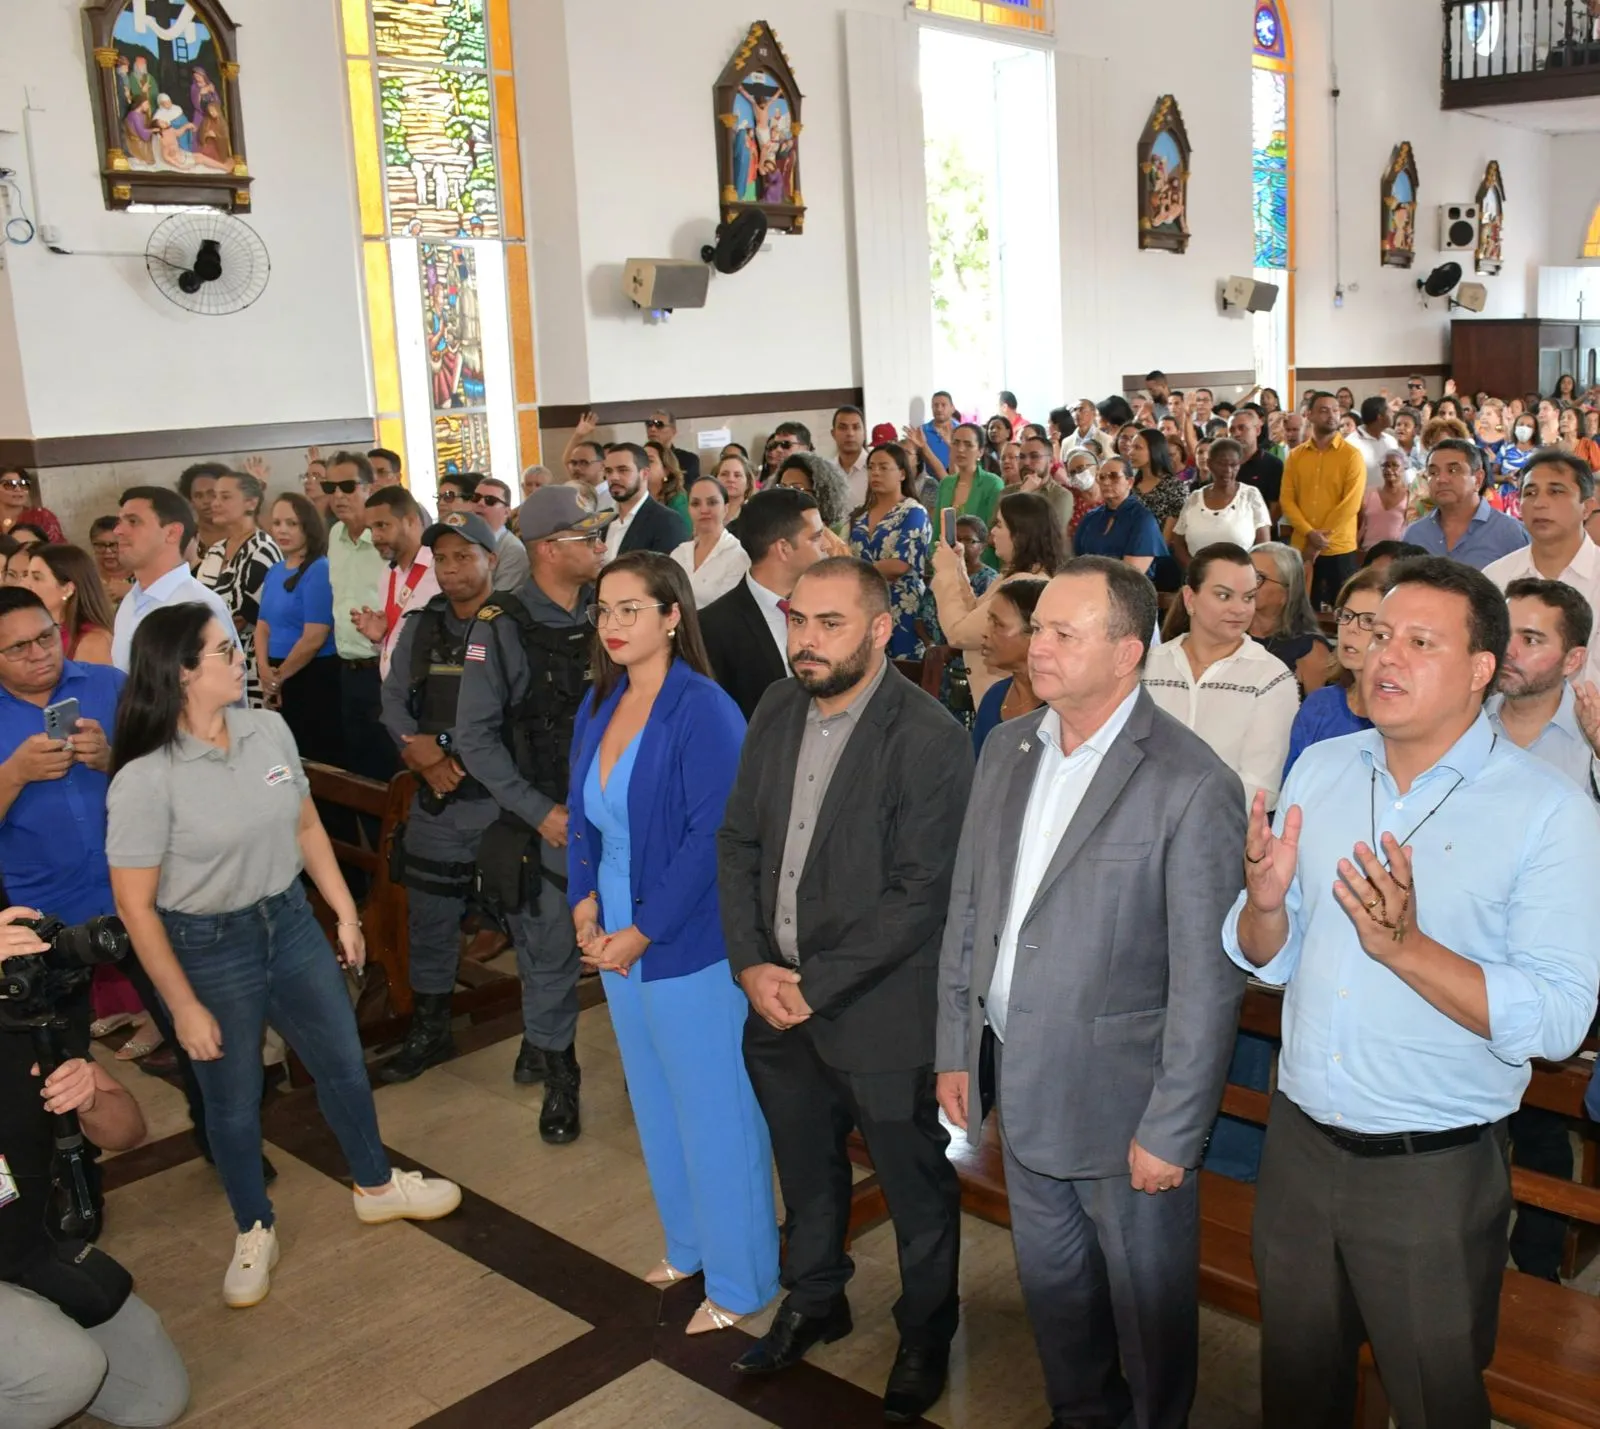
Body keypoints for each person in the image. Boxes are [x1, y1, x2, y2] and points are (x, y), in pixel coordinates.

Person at [1227, 556, 1600, 1429]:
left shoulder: (1550, 813)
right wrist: (1266, 905)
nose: (1382, 657)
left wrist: (1408, 949)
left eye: (1420, 642)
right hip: (1301, 1149)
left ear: (1481, 669)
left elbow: (1555, 1019)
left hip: (1430, 1173)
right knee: (1297, 1389)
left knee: (1435, 1399)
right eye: (1376, 634)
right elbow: (1263, 959)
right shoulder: (1322, 768)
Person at [936, 556, 1247, 1429]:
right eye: (1037, 628)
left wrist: (1173, 1128)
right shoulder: (1007, 747)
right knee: (1059, 1302)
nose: (1038, 646)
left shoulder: (1189, 783)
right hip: (1022, 1088)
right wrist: (958, 1050)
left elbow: (1205, 980)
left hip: (1128, 1114)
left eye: (1063, 633)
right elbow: (971, 910)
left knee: (1148, 1323)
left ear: (1126, 653)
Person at [106, 604, 462, 1306]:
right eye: (222, 650)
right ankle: (253, 1225)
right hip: (208, 945)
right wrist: (181, 1005)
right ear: (181, 675)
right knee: (234, 1099)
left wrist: (344, 910)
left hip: (290, 923)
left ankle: (376, 1183)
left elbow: (304, 823)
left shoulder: (266, 726)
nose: (241, 656)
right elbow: (135, 907)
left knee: (342, 1063)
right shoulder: (145, 779)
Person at [718, 558, 972, 1421]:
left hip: (879, 1010)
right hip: (774, 998)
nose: (807, 641)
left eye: (830, 624)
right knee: (807, 1169)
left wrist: (810, 983)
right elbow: (739, 842)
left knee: (913, 1187)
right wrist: (752, 964)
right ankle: (816, 1295)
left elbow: (918, 894)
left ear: (878, 630)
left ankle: (927, 1329)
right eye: (798, 621)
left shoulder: (928, 735)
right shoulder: (776, 706)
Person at [568, 552, 779, 1335]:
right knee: (656, 1103)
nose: (613, 625)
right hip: (617, 934)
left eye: (631, 609)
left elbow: (712, 838)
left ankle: (744, 1277)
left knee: (716, 1111)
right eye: (603, 610)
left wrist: (642, 931)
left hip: (686, 940)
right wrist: (582, 901)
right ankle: (689, 1244)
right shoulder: (603, 702)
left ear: (672, 615)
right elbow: (580, 812)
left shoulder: (705, 708)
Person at [455, 486, 609, 1138]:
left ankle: (552, 1042)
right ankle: (560, 1075)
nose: (601, 545)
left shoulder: (611, 610)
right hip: (547, 817)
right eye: (588, 536)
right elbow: (474, 737)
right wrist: (537, 809)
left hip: (614, 811)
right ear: (549, 549)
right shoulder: (502, 626)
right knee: (549, 951)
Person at [0, 908, 189, 1429]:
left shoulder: (22, 1013)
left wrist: (89, 1100)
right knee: (62, 1374)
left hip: (25, 1246)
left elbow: (128, 1132)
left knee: (156, 1399)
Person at [376, 513, 501, 1084]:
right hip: (437, 796)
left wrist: (445, 750)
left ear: (491, 560)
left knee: (529, 919)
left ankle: (548, 1041)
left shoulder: (514, 626)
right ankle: (430, 1030)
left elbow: (518, 716)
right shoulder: (423, 626)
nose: (450, 570)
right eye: (442, 559)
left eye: (463, 557)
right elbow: (395, 701)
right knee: (430, 916)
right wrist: (422, 757)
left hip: (502, 799)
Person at [1147, 544, 1299, 811]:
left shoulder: (1270, 679)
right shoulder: (1149, 667)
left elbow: (1260, 787)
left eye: (1249, 597)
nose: (1240, 609)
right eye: (1224, 596)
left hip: (1220, 835)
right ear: (1190, 599)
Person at [699, 488, 828, 721]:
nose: (826, 545)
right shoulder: (713, 627)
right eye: (816, 538)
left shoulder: (831, 607)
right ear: (783, 548)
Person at [930, 490, 1064, 703]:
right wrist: (958, 568)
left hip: (1010, 697)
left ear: (1020, 533)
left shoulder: (1028, 583)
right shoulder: (1012, 575)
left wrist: (946, 573)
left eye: (1000, 525)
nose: (992, 532)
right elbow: (973, 613)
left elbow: (959, 633)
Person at [1484, 449, 1600, 690]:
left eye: (1556, 491)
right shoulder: (1495, 580)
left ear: (1587, 508)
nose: (1539, 503)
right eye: (1530, 493)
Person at [256, 493, 342, 765]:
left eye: (292, 524)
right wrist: (264, 671)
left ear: (308, 526)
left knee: (316, 755)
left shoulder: (319, 569)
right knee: (285, 756)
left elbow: (314, 637)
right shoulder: (275, 571)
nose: (282, 530)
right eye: (277, 522)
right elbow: (262, 626)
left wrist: (277, 678)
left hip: (312, 675)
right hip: (276, 673)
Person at [109, 487, 236, 672]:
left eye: (133, 521)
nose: (118, 530)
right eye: (119, 522)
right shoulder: (130, 602)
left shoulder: (198, 605)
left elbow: (228, 691)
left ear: (172, 533)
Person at [323, 452, 392, 780]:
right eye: (330, 486)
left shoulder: (386, 538)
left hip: (385, 670)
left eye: (348, 486)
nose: (338, 495)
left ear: (370, 487)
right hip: (348, 669)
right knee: (359, 766)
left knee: (391, 764)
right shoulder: (335, 536)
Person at [1282, 566, 1385, 778]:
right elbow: (1291, 789)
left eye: (1368, 620)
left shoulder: (1407, 718)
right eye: (1346, 615)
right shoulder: (1319, 706)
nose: (1351, 628)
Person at [198, 469, 281, 706]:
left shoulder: (262, 548)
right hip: (212, 660)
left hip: (250, 664)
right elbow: (199, 606)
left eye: (225, 497)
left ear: (251, 503)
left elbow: (244, 617)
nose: (215, 503)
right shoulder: (215, 551)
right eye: (214, 497)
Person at [1280, 392, 1368, 610]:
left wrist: (1319, 538)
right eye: (1324, 410)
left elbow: (1351, 504)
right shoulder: (1295, 456)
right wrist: (1309, 534)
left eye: (1335, 410)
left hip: (1339, 548)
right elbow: (1287, 500)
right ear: (1309, 415)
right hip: (1303, 547)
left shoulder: (1352, 455)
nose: (1331, 415)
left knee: (1344, 612)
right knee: (1302, 611)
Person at [848, 442, 933, 659]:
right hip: (864, 606)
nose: (875, 472)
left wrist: (851, 573)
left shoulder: (913, 512)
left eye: (884, 467)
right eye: (871, 467)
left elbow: (899, 565)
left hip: (902, 608)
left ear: (902, 473)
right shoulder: (860, 516)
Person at [353, 486, 440, 688]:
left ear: (411, 521)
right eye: (370, 529)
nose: (375, 537)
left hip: (430, 694)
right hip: (394, 694)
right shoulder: (387, 575)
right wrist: (379, 638)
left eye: (382, 526)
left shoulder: (439, 570)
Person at [1403, 439, 1530, 569]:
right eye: (1433, 473)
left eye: (1453, 470)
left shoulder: (1510, 533)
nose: (1441, 479)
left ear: (1478, 479)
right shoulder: (1415, 534)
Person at [969, 576, 1047, 755]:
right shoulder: (994, 697)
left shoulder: (1060, 711)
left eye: (998, 624)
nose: (985, 633)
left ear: (1034, 633)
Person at [1171, 438, 1272, 565]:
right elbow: (1178, 542)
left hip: (1241, 578)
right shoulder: (1195, 498)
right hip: (1199, 579)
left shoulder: (1250, 496)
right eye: (1221, 464)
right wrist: (1194, 570)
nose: (1228, 470)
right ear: (1209, 463)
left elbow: (1263, 545)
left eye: (1233, 465)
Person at [1249, 542, 1332, 696]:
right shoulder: (1228, 634)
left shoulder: (1311, 650)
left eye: (1259, 577)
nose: (1247, 584)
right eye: (1246, 575)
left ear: (1287, 590)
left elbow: (1319, 714)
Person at [1072, 456, 1168, 575]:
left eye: (1114, 476)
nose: (1106, 482)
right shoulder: (1090, 517)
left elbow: (1131, 575)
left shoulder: (1142, 519)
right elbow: (1077, 561)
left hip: (1127, 589)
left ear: (1130, 482)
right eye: (1102, 477)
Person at [25, 545, 114, 665]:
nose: (26, 584)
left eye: (37, 578)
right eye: (26, 575)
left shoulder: (92, 641)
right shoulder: (31, 632)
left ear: (67, 589)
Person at [671, 475, 750, 607]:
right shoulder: (678, 553)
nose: (703, 510)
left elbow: (729, 610)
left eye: (712, 502)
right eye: (696, 503)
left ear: (726, 508)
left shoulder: (738, 555)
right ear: (689, 510)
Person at [602, 443, 690, 560]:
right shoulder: (602, 521)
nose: (613, 477)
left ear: (644, 474)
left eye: (623, 470)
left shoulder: (667, 522)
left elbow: (666, 575)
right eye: (608, 471)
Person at [932, 424, 1006, 549]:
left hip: (981, 561)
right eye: (956, 443)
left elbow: (993, 533)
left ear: (980, 452)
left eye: (968, 444)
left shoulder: (992, 483)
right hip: (947, 559)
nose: (960, 449)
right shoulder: (946, 483)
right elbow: (937, 531)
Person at [467, 475, 530, 592]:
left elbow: (499, 599)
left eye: (490, 500)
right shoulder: (462, 539)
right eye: (476, 498)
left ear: (506, 512)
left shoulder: (513, 550)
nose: (480, 503)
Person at [776, 451, 853, 542]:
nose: (786, 494)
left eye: (796, 489)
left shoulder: (831, 542)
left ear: (820, 495)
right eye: (782, 487)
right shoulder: (773, 531)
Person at [1346, 396, 1402, 491]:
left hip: (1390, 500)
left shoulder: (1391, 440)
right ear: (1380, 417)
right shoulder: (1351, 443)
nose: (1393, 413)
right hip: (1362, 502)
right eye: (1389, 411)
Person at [1359, 450, 1411, 551]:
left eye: (1395, 465)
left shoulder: (1411, 496)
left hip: (1399, 554)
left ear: (1404, 467)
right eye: (1385, 465)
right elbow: (1359, 525)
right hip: (1369, 552)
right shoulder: (1369, 494)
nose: (1389, 469)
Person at [177, 461, 227, 562]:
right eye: (198, 496)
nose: (206, 501)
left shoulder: (243, 531)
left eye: (212, 493)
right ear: (191, 501)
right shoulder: (186, 538)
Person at [0, 468, 63, 545]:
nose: (18, 489)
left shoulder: (41, 516)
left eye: (24, 485)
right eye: (10, 484)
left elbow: (59, 552)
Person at [644, 409, 701, 483]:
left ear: (673, 431)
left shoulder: (688, 460)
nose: (652, 429)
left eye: (659, 425)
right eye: (649, 424)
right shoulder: (640, 457)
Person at [831, 405, 869, 508]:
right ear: (833, 434)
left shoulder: (876, 469)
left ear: (865, 433)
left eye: (856, 427)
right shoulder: (827, 471)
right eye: (843, 428)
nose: (850, 433)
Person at [564, 438, 616, 512]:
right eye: (573, 463)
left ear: (603, 465)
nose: (576, 468)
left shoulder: (614, 499)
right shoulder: (568, 497)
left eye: (584, 462)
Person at [89, 517, 132, 606]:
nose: (108, 551)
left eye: (114, 545)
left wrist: (132, 593)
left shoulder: (144, 576)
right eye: (100, 545)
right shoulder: (86, 579)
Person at [645, 440, 689, 519]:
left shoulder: (678, 501)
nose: (643, 465)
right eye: (640, 460)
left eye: (650, 461)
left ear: (666, 470)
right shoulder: (636, 499)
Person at [713, 451, 754, 525]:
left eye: (737, 475)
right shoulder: (706, 512)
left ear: (748, 483)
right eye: (724, 474)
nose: (730, 479)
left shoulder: (754, 514)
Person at [920, 390, 956, 470]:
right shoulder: (921, 431)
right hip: (930, 481)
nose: (939, 409)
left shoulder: (961, 431)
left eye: (943, 405)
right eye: (935, 405)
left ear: (952, 408)